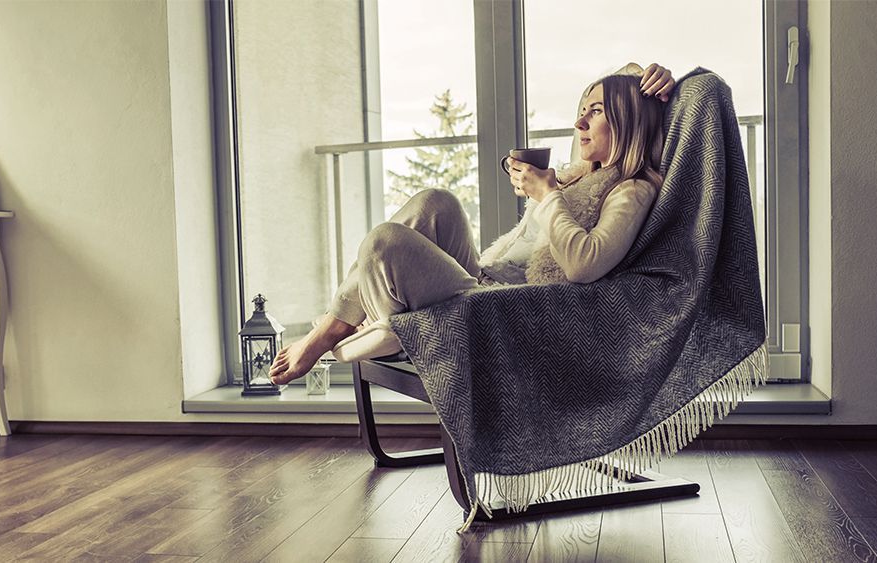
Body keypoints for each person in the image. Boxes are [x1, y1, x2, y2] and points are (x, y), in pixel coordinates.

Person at [269, 63, 675, 385]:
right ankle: (362, 325)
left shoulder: (631, 189)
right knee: (435, 202)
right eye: (580, 111)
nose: (579, 123)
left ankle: (369, 330)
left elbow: (586, 264)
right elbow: (621, 87)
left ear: (628, 120)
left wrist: (546, 195)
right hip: (485, 282)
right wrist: (640, 76)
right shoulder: (580, 174)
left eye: (596, 113)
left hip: (510, 314)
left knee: (384, 243)